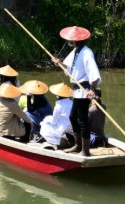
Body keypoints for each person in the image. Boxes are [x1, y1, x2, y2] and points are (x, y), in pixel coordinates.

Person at [50, 26, 101, 157]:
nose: (70, 41)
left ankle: (85, 150)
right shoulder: (75, 51)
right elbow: (68, 67)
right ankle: (78, 145)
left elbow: (93, 74)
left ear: (75, 40)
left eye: (71, 40)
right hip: (77, 91)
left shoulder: (86, 52)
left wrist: (92, 89)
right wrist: (59, 63)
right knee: (73, 117)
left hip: (84, 90)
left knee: (82, 119)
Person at [39, 83, 74, 148]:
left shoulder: (59, 104)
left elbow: (54, 121)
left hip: (62, 128)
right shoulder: (72, 103)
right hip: (71, 127)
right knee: (47, 120)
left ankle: (53, 141)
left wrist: (47, 119)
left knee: (44, 123)